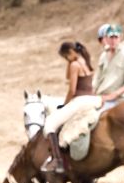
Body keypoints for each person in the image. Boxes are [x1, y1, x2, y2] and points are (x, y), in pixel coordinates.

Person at [42, 41, 100, 173]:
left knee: (50, 123)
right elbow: (68, 76)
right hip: (92, 99)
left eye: (65, 57)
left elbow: (72, 90)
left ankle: (57, 160)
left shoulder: (74, 64)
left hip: (80, 101)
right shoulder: (84, 60)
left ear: (69, 53)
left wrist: (65, 105)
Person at [93, 24, 124, 110]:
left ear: (120, 38)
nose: (113, 40)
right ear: (106, 38)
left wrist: (114, 94)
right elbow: (97, 78)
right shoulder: (104, 55)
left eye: (116, 37)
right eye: (111, 37)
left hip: (119, 99)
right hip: (101, 97)